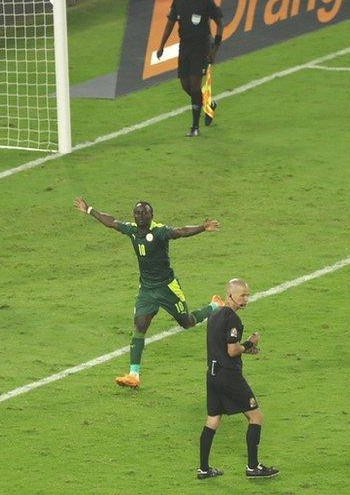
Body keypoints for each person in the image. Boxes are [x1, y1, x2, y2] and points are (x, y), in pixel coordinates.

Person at [74, 197, 221, 388]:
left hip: (167, 287)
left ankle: (215, 306)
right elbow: (111, 222)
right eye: (137, 213)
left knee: (187, 322)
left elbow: (181, 231)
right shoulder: (133, 230)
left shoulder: (159, 232)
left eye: (145, 213)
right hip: (147, 290)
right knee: (140, 326)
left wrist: (202, 227)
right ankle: (134, 374)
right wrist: (89, 209)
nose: (141, 216)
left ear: (152, 215)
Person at [197, 279, 279, 480]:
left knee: (213, 420)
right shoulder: (233, 320)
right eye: (242, 295)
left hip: (213, 375)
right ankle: (253, 467)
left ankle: (204, 469)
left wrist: (244, 349)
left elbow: (221, 346)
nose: (246, 299)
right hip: (229, 376)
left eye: (247, 295)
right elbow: (232, 350)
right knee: (256, 417)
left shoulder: (214, 315)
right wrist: (249, 343)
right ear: (230, 294)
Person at [155, 0, 224, 137]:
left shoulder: (205, 2)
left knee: (194, 85)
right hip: (185, 46)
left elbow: (220, 23)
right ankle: (208, 104)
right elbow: (171, 22)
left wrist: (215, 48)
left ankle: (195, 127)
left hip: (201, 47)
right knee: (185, 85)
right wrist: (161, 45)